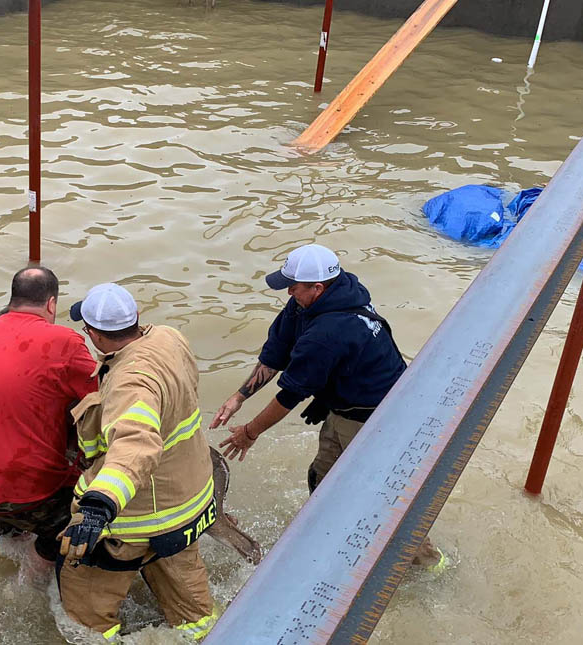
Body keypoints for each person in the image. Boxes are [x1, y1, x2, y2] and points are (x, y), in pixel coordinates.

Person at [211, 243, 440, 565]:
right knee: (323, 477)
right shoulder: (322, 296)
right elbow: (276, 353)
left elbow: (289, 396)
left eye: (293, 286)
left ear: (317, 288)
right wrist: (239, 397)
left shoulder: (329, 332)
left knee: (384, 501)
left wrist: (250, 432)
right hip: (344, 406)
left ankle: (429, 564)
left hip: (379, 417)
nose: (289, 292)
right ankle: (334, 537)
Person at [56, 283, 219, 642]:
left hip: (137, 518)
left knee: (85, 614)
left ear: (94, 334)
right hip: (188, 503)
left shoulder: (130, 383)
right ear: (137, 318)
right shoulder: (169, 338)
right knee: (192, 608)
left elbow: (136, 444)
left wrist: (99, 505)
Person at [0, 266, 98, 562]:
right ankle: (31, 576)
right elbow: (103, 394)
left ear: (13, 299)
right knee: (81, 524)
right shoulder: (65, 340)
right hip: (18, 486)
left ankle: (10, 531)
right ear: (51, 304)